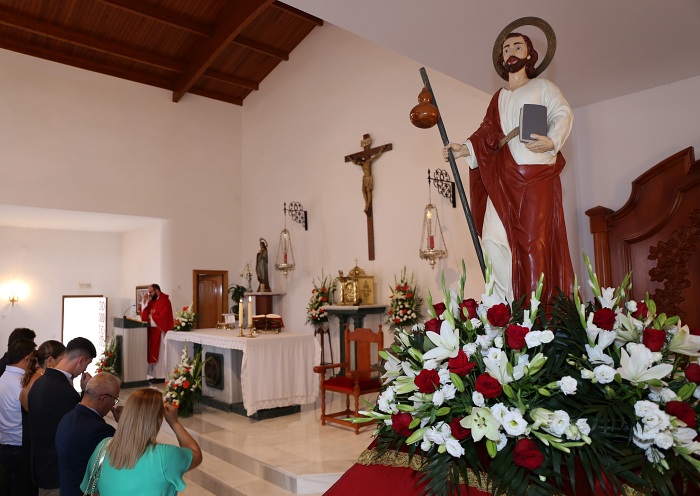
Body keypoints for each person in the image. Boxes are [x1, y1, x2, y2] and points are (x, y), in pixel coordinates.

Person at [443, 30, 574, 306]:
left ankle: (535, 312)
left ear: (529, 54)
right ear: (502, 59)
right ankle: (505, 306)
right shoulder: (499, 97)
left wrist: (552, 141)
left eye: (517, 46)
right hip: (503, 176)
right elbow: (487, 132)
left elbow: (563, 113)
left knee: (532, 244)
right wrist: (465, 148)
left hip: (535, 173)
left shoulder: (544, 88)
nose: (511, 52)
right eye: (506, 49)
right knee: (491, 240)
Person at [80, 388, 202, 496]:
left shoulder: (104, 447)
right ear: (158, 420)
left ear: (127, 415)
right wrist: (174, 422)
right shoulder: (165, 456)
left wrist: (125, 425)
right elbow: (196, 454)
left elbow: (93, 491)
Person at [27, 337, 96, 496]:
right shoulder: (64, 392)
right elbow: (79, 428)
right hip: (57, 473)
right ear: (80, 360)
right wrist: (86, 393)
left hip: (41, 466)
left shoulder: (38, 382)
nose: (85, 369)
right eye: (87, 364)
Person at [56, 373, 123, 496]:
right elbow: (120, 464)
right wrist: (124, 423)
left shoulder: (66, 418)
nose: (114, 404)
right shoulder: (101, 431)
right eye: (115, 399)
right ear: (103, 399)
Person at [19, 340, 65, 496]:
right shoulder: (41, 381)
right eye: (62, 360)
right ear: (51, 360)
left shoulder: (35, 376)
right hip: (44, 449)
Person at [0, 338, 36, 496]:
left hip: (3, 443)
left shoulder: (3, 378)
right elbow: (31, 410)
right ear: (27, 358)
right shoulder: (21, 383)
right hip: (19, 446)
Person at [139, 283, 174, 380]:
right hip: (152, 331)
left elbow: (163, 317)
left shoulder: (165, 301)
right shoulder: (153, 301)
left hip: (160, 332)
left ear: (157, 290)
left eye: (151, 292)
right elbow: (145, 315)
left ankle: (161, 376)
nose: (149, 294)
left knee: (160, 355)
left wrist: (152, 317)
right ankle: (154, 375)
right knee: (153, 353)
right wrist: (144, 302)